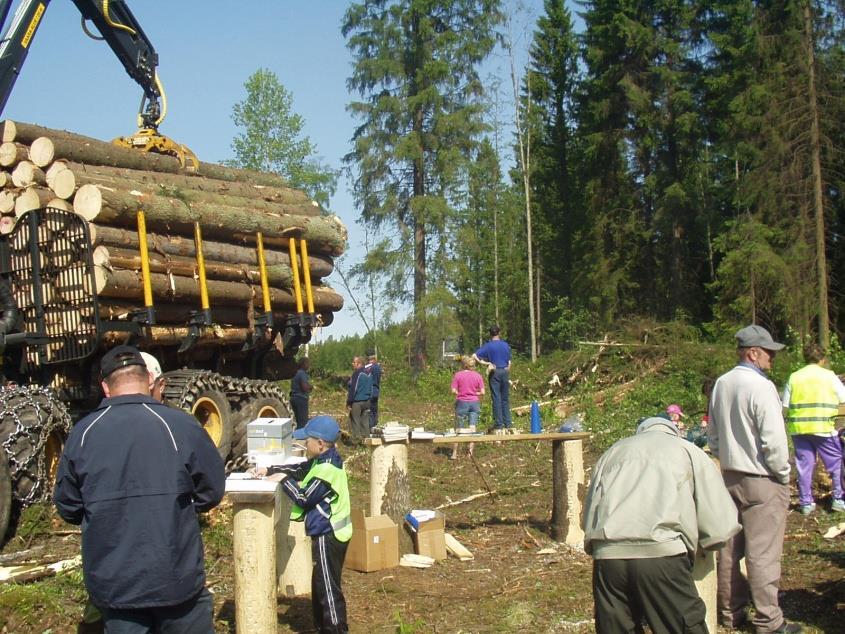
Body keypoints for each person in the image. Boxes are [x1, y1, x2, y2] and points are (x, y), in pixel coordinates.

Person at [54, 345, 226, 634]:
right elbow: (211, 491)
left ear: (105, 387)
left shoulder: (83, 434)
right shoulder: (180, 425)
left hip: (116, 585)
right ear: (148, 379)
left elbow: (68, 506)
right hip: (176, 578)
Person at [583, 416, 740, 634]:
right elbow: (719, 520)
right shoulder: (686, 450)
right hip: (662, 554)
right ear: (673, 430)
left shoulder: (612, 453)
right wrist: (708, 541)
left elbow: (591, 511)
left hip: (609, 558)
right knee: (682, 626)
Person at [708, 325, 801, 633]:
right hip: (763, 478)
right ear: (753, 352)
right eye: (769, 353)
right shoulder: (762, 387)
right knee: (763, 555)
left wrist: (727, 460)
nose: (772, 358)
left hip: (730, 477)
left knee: (729, 552)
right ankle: (769, 621)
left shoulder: (722, 384)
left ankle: (730, 614)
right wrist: (784, 474)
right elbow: (774, 441)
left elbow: (714, 436)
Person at [252, 416, 351, 634]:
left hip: (330, 535)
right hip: (328, 533)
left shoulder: (327, 471)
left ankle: (336, 629)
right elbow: (300, 470)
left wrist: (282, 480)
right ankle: (322, 628)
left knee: (328, 589)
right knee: (320, 585)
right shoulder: (322, 460)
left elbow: (304, 498)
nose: (304, 444)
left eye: (307, 441)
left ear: (320, 444)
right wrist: (270, 471)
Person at [782, 343, 845, 514]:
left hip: (799, 429)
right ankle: (838, 500)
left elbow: (786, 404)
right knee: (835, 464)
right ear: (822, 359)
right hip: (823, 427)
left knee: (804, 466)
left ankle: (806, 503)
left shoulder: (794, 377)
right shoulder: (829, 376)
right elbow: (843, 398)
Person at [473, 325, 512, 433]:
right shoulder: (505, 345)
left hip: (494, 371)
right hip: (504, 371)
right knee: (505, 398)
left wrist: (485, 363)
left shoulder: (488, 346)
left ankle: (499, 424)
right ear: (499, 333)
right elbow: (509, 361)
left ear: (490, 334)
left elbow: (474, 355)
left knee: (496, 398)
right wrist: (507, 369)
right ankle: (508, 423)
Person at [450, 356, 485, 460]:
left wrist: (459, 392)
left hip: (462, 402)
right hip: (474, 402)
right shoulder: (478, 376)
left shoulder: (458, 375)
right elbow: (482, 392)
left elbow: (453, 391)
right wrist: (474, 393)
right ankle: (470, 453)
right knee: (472, 427)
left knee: (459, 428)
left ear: (463, 365)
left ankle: (454, 453)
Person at [346, 356, 372, 439]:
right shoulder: (369, 372)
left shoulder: (357, 373)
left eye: (354, 362)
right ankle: (366, 440)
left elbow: (354, 389)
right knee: (365, 422)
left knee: (355, 421)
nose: (352, 364)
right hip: (367, 401)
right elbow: (371, 387)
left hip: (357, 402)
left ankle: (356, 441)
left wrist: (349, 402)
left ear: (359, 363)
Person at [290, 357, 314, 427]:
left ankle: (295, 435)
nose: (309, 365)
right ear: (303, 364)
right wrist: (310, 387)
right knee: (302, 422)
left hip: (293, 398)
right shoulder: (302, 373)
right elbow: (304, 387)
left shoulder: (295, 373)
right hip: (301, 399)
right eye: (307, 363)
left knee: (296, 420)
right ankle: (301, 436)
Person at [364, 351, 382, 429]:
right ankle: (375, 428)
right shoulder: (378, 367)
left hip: (369, 391)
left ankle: (370, 430)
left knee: (369, 411)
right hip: (376, 390)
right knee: (375, 411)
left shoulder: (367, 368)